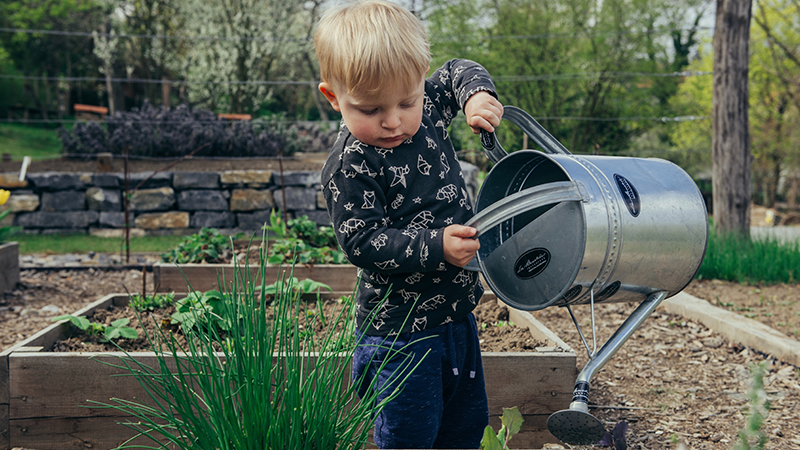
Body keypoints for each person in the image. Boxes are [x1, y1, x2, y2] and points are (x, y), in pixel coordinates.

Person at [314, 0, 503, 448]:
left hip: (458, 317)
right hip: (400, 336)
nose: (393, 120)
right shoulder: (351, 165)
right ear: (333, 97)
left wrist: (476, 95)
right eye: (369, 109)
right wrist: (436, 246)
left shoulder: (431, 108)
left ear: (420, 83)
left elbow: (458, 69)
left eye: (407, 100)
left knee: (464, 425)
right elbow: (362, 241)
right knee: (409, 436)